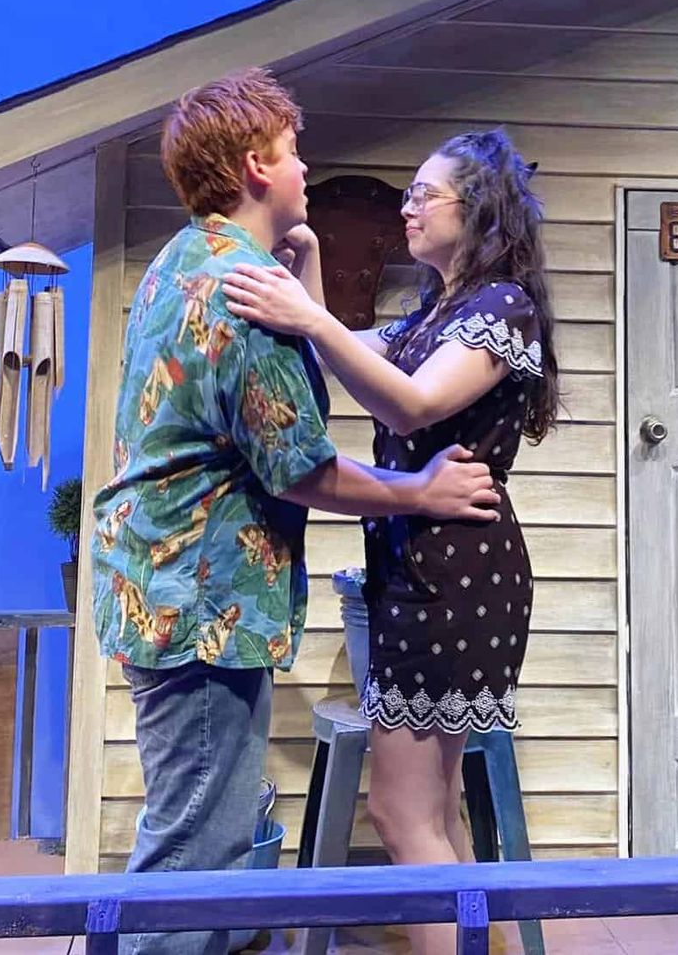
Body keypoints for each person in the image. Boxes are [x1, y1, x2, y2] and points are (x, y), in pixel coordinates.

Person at [90, 70, 499, 955]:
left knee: (203, 828)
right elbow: (301, 469)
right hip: (200, 605)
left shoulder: (186, 259)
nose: (306, 166)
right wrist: (420, 491)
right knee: (196, 854)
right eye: (292, 150)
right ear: (255, 166)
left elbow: (287, 403)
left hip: (165, 592)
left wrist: (306, 280)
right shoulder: (242, 295)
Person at [223, 128, 560, 955]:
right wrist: (307, 271)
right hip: (426, 567)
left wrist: (309, 311)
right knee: (436, 814)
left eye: (423, 194)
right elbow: (345, 352)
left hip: (455, 572)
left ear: (476, 209)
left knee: (403, 815)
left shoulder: (502, 306)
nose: (407, 207)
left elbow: (411, 402)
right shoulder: (438, 311)